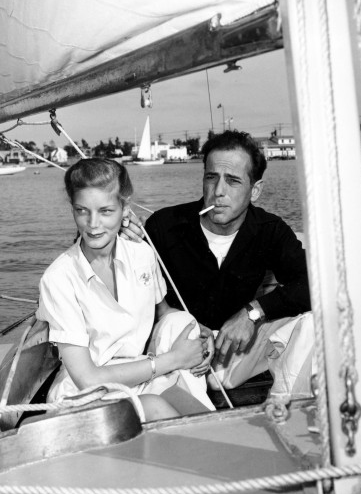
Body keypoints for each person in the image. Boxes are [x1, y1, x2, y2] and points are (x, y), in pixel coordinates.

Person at [122, 130, 314, 398]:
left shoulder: (268, 230)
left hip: (234, 352)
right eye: (212, 178)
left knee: (313, 322)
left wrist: (253, 312)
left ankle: (285, 410)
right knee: (177, 326)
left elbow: (316, 284)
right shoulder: (165, 226)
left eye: (233, 181)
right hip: (179, 353)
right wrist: (119, 239)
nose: (218, 192)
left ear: (255, 190)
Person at [36, 158, 215, 421]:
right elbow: (88, 379)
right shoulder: (58, 278)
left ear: (124, 208)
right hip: (86, 396)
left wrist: (200, 334)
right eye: (82, 210)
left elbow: (163, 312)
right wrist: (175, 359)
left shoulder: (142, 255)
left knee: (183, 325)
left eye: (105, 211)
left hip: (141, 378)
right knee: (157, 408)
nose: (93, 224)